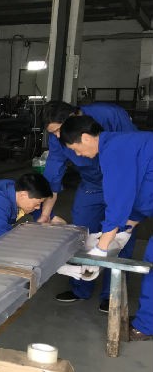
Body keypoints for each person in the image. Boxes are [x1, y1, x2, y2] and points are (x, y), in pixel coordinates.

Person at [60, 115, 153, 341]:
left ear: (85, 137)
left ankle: (145, 327)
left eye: (75, 149)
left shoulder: (113, 151)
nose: (78, 155)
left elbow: (118, 199)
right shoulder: (126, 143)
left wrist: (101, 248)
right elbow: (143, 188)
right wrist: (128, 226)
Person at [38, 100, 136, 311]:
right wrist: (46, 214)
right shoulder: (57, 136)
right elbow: (53, 175)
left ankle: (112, 295)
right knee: (82, 234)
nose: (58, 136)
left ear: (74, 117)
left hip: (121, 181)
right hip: (91, 184)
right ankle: (80, 286)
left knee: (120, 237)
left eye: (58, 131)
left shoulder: (110, 114)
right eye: (53, 133)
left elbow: (133, 148)